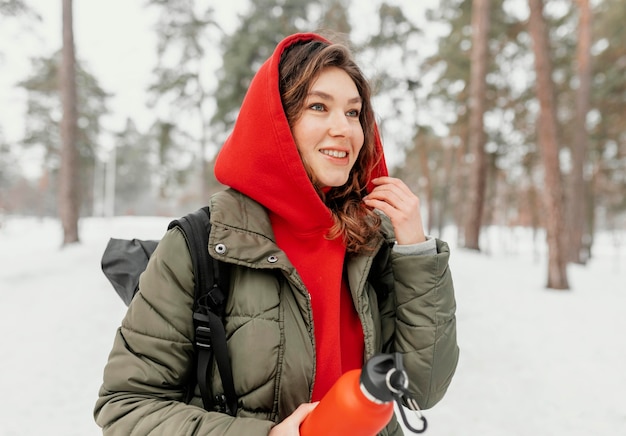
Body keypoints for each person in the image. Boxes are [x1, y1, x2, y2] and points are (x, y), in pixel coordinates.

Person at [94, 32, 459, 436]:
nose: (344, 129)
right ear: (277, 122)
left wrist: (417, 254)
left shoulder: (371, 239)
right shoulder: (199, 243)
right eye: (319, 107)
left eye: (354, 113)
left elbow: (421, 390)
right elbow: (125, 407)